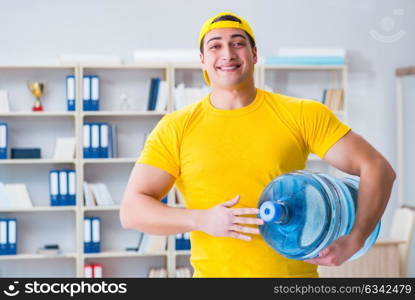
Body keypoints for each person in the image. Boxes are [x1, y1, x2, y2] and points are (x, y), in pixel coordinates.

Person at [120, 12, 396, 277]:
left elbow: (377, 168)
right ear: (203, 60)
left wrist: (357, 238)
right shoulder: (175, 127)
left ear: (253, 54)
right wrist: (200, 219)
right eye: (215, 46)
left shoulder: (302, 114)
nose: (227, 53)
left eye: (238, 44)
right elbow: (132, 210)